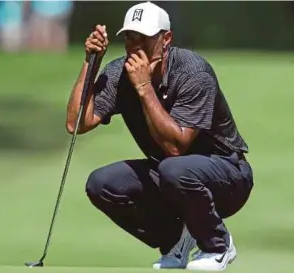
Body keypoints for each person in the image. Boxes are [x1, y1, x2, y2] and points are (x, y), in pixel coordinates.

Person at [66, 1, 253, 271]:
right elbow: (76, 123)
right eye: (130, 37)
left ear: (166, 39)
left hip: (227, 176)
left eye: (144, 38)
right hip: (171, 176)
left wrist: (143, 87)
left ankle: (217, 246)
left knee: (173, 167)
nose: (135, 46)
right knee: (102, 183)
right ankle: (174, 242)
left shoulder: (193, 72)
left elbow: (176, 147)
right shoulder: (120, 73)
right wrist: (90, 62)